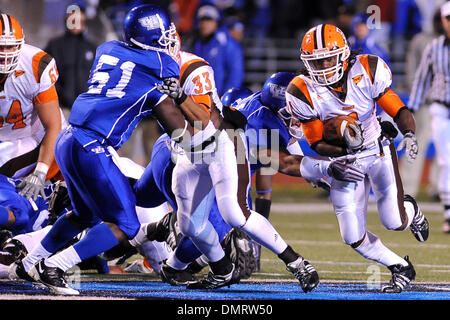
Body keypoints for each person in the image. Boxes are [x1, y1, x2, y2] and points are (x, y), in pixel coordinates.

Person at [8, 4, 199, 295]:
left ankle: (32, 262)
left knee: (83, 216)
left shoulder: (108, 49)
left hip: (69, 138)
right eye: (166, 35)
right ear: (153, 38)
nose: (171, 40)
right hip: (93, 146)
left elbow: (132, 82)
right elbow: (176, 127)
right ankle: (55, 266)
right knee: (127, 224)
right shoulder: (162, 67)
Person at [286, 23, 429, 293]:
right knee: (352, 236)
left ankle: (411, 211)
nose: (323, 67)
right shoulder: (301, 90)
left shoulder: (367, 69)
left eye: (327, 58)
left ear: (343, 53)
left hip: (376, 150)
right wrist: (338, 160)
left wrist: (409, 133)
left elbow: (397, 109)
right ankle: (401, 267)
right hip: (344, 160)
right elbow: (317, 141)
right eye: (316, 62)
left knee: (395, 221)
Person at [0, 13, 66, 201]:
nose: (5, 55)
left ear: (20, 45)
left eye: (10, 46)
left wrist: (40, 171)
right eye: (0, 47)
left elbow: (53, 126)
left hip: (35, 135)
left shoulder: (34, 65)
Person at [408, 1, 450, 233]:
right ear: (442, 21)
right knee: (443, 158)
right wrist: (409, 110)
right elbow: (421, 79)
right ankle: (447, 212)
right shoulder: (433, 46)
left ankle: (444, 201)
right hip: (438, 107)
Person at [400, 8, 443, 199]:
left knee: (446, 147)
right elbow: (411, 70)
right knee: (416, 145)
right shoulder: (421, 40)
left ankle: (440, 189)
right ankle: (407, 188)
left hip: (446, 104)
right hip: (426, 103)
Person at [44, 4, 97, 120]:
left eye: (80, 21)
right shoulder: (55, 45)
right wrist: (61, 96)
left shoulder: (92, 48)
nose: (76, 24)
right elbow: (45, 75)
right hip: (61, 108)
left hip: (86, 110)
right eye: (73, 20)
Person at [192, 4, 244, 96]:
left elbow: (235, 74)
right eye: (202, 20)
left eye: (209, 20)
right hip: (198, 97)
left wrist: (225, 98)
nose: (205, 24)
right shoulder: (193, 42)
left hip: (218, 99)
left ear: (216, 23)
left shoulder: (227, 44)